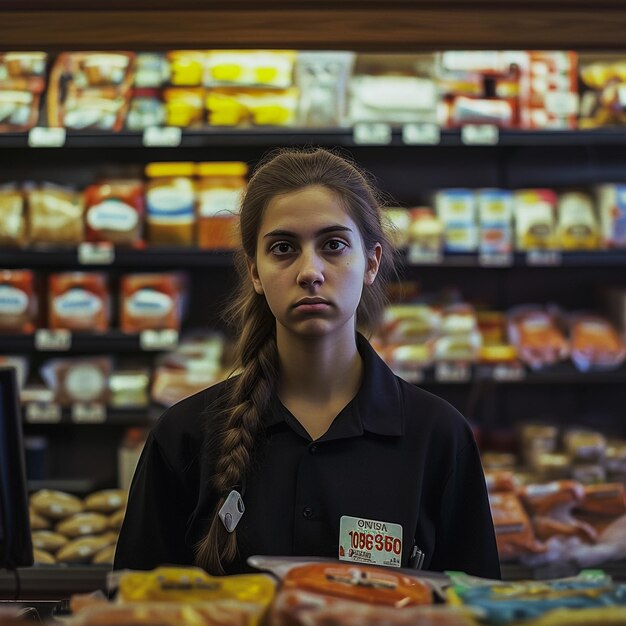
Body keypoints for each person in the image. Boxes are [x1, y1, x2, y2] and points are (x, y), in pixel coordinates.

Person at [114, 147, 500, 579]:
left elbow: (477, 608)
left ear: (371, 262)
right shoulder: (183, 436)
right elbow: (133, 605)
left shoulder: (439, 438)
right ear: (255, 271)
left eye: (333, 245)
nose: (310, 271)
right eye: (283, 248)